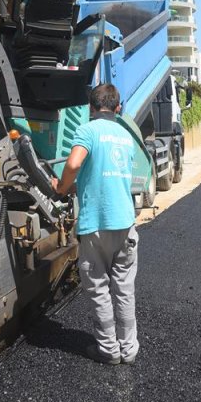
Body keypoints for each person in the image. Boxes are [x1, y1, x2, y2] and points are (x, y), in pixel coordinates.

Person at [52, 84, 139, 365]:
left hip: (96, 226)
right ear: (118, 108)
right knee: (124, 289)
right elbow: (113, 175)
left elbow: (75, 163)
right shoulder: (126, 136)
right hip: (125, 224)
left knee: (99, 288)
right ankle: (129, 349)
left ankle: (109, 351)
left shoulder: (88, 130)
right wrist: (82, 185)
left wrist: (63, 186)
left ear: (91, 108)